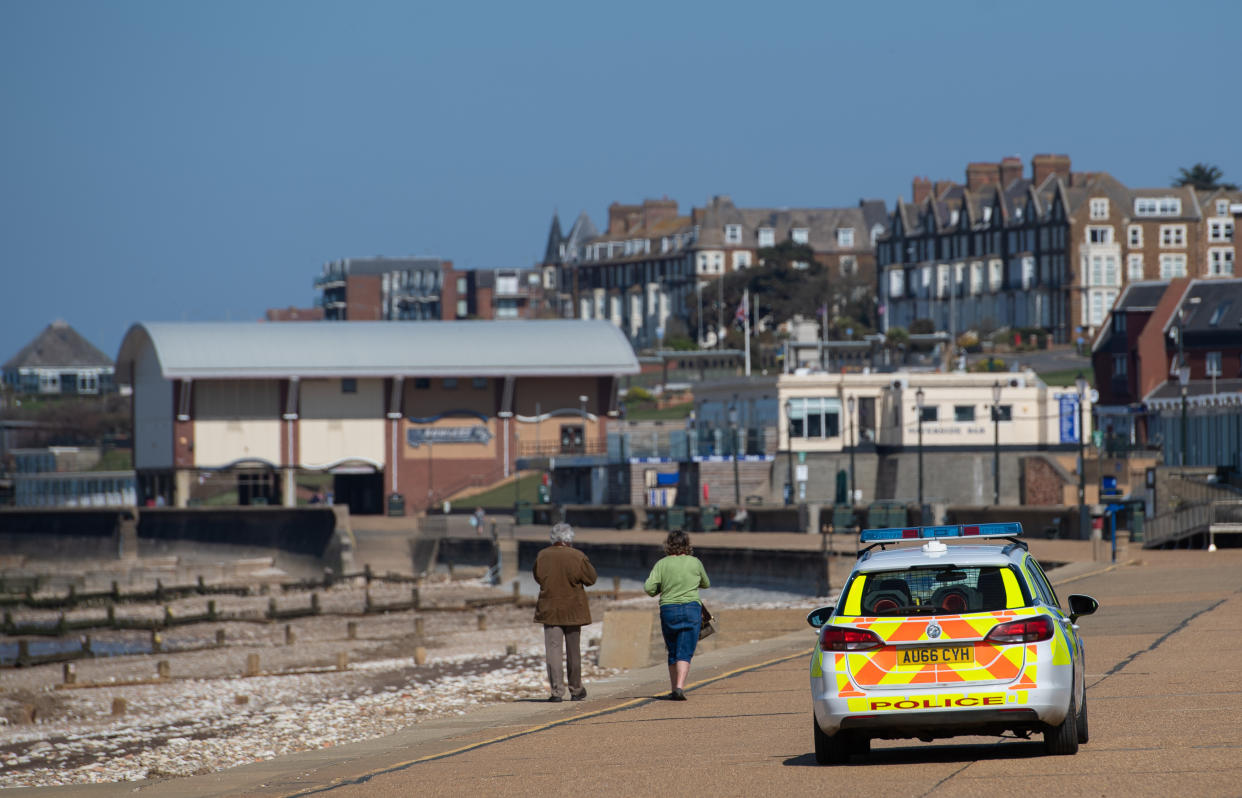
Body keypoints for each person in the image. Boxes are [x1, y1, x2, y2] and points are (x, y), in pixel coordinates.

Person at [532, 522, 597, 702]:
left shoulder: (542, 556)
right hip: (573, 609)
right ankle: (576, 689)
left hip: (550, 608)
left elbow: (537, 577)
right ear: (569, 539)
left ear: (553, 538)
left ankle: (556, 692)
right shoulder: (577, 556)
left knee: (553, 651)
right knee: (573, 651)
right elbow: (591, 579)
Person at [644, 529, 710, 701]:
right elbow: (706, 583)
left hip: (669, 610)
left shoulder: (661, 564)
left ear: (668, 545)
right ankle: (679, 687)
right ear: (687, 545)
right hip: (691, 609)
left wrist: (662, 587)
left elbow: (649, 588)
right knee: (685, 650)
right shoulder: (695, 562)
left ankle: (674, 688)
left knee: (672, 649)